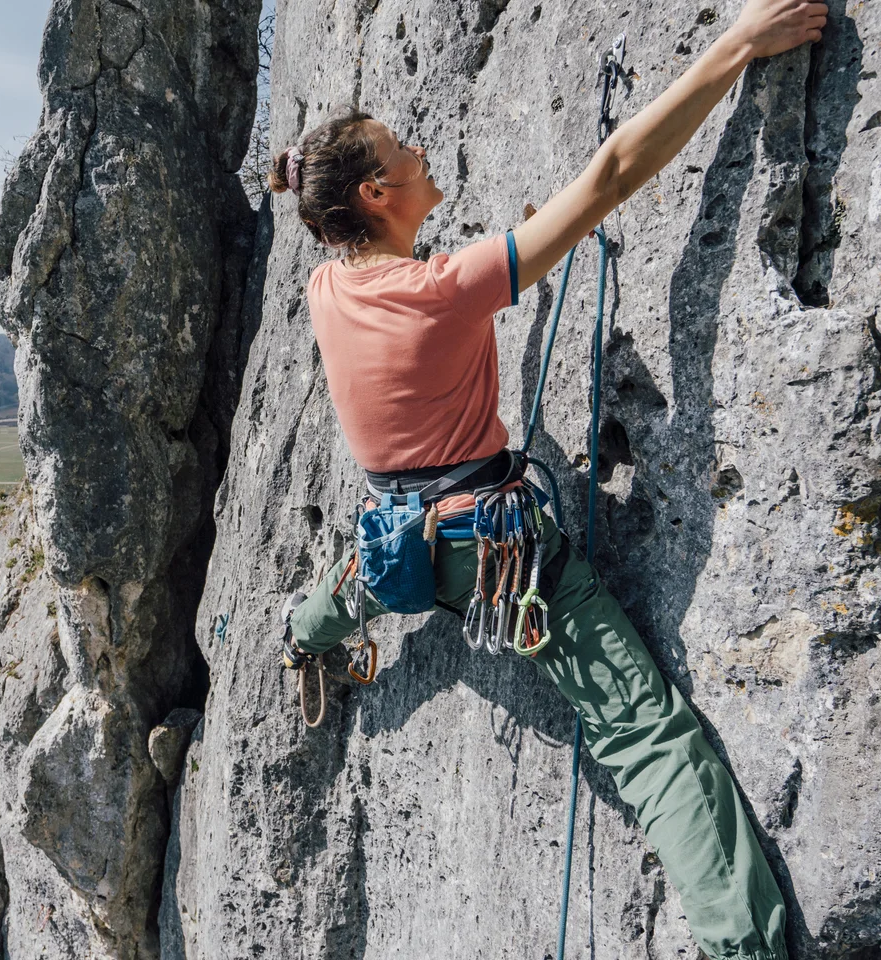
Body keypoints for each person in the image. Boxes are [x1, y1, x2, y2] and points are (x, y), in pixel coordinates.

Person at [267, 1, 828, 958]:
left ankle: (303, 631)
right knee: (644, 735)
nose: (419, 151)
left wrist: (515, 257)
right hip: (493, 555)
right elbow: (609, 175)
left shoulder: (332, 284)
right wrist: (734, 45)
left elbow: (420, 308)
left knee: (358, 584)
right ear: (374, 193)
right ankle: (745, 946)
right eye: (400, 150)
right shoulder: (445, 290)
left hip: (401, 540)